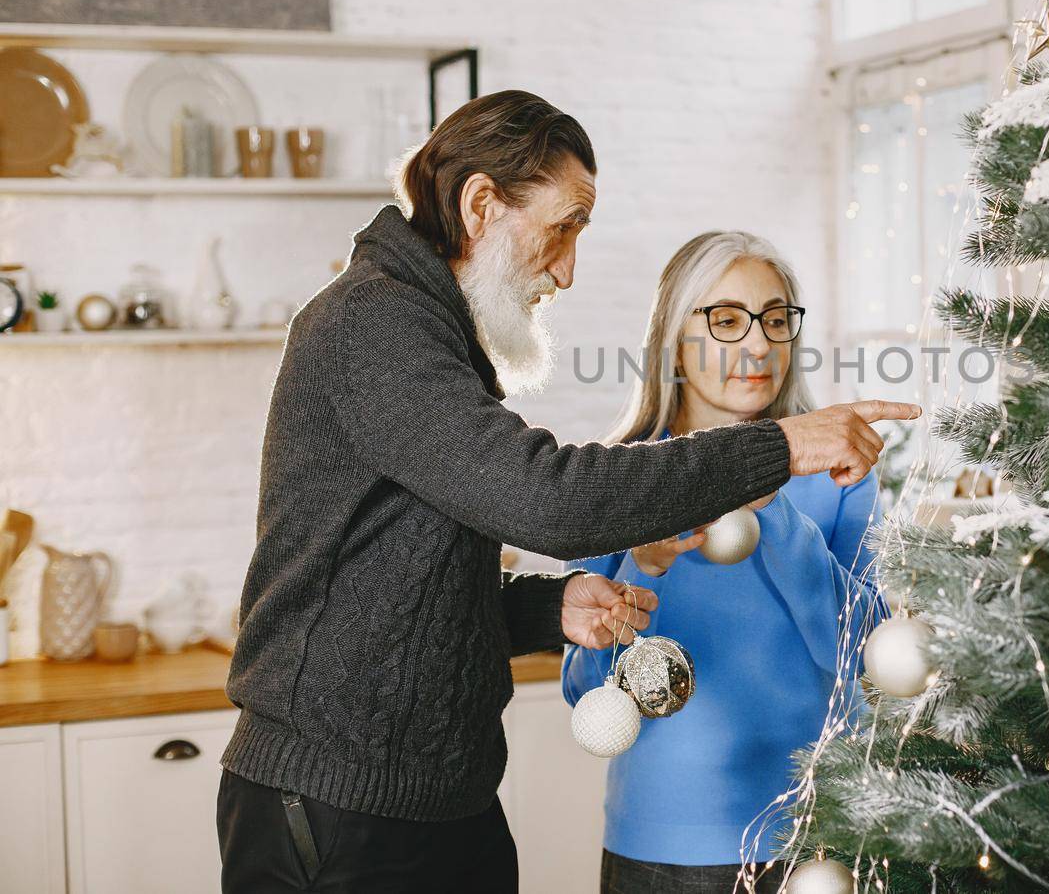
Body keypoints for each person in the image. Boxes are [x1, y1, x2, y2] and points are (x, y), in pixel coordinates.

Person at [215, 91, 918, 893]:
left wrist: (549, 610)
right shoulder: (376, 324)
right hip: (341, 812)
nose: (568, 267)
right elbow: (547, 498)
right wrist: (781, 446)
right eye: (563, 226)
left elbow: (408, 586)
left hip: (437, 808)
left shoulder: (434, 333)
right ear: (481, 204)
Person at [563, 231, 889, 894]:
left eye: (775, 318)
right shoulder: (617, 476)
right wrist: (639, 568)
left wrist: (771, 503)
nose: (759, 344)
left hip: (820, 844)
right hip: (660, 852)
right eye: (727, 319)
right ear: (673, 339)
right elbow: (582, 691)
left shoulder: (840, 475)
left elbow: (867, 652)